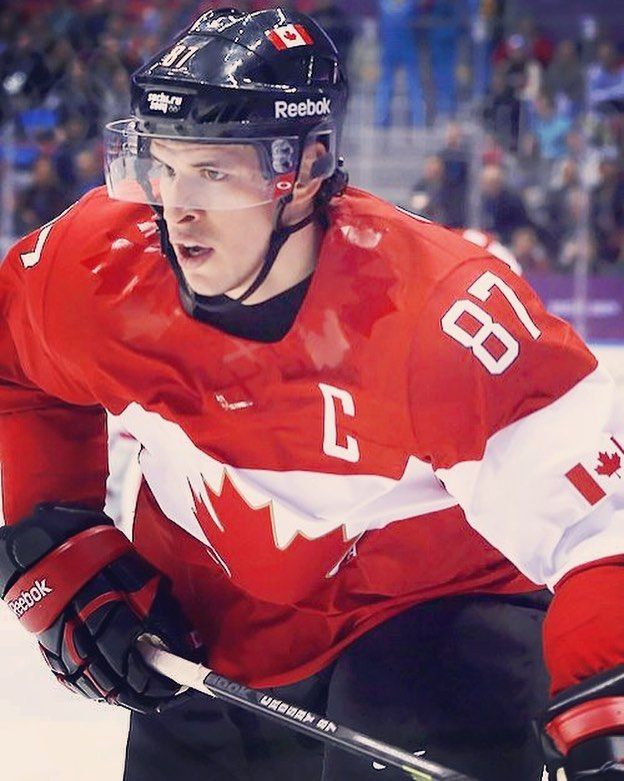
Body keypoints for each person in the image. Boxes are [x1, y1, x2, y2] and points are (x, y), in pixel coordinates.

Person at [1, 8, 624, 781]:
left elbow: (600, 534)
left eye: (216, 171)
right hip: (203, 642)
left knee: (441, 664)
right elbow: (17, 371)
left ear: (306, 166)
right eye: (163, 163)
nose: (178, 207)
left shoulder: (438, 316)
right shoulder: (98, 264)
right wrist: (59, 534)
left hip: (431, 635)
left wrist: (606, 713)